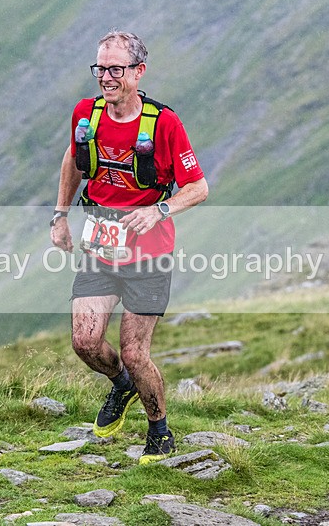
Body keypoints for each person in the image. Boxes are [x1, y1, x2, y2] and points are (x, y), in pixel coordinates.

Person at [50, 30, 208, 465]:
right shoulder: (86, 114)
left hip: (149, 255)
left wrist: (160, 210)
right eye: (100, 68)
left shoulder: (164, 124)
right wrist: (61, 215)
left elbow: (198, 187)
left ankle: (159, 430)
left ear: (138, 72)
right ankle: (120, 385)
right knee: (85, 341)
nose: (105, 77)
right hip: (100, 247)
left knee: (137, 353)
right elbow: (72, 159)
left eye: (115, 69)